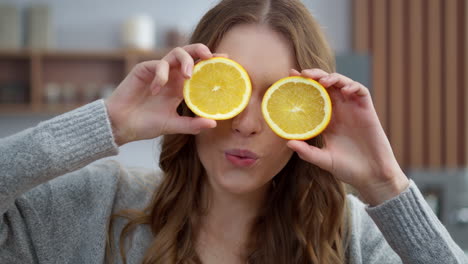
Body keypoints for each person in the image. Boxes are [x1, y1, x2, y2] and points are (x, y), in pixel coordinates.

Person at [0, 0, 466, 263]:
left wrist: (385, 184)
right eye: (230, 89)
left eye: (278, 96)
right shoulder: (99, 207)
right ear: (192, 92)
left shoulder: (348, 237)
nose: (246, 123)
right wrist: (106, 124)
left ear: (310, 113)